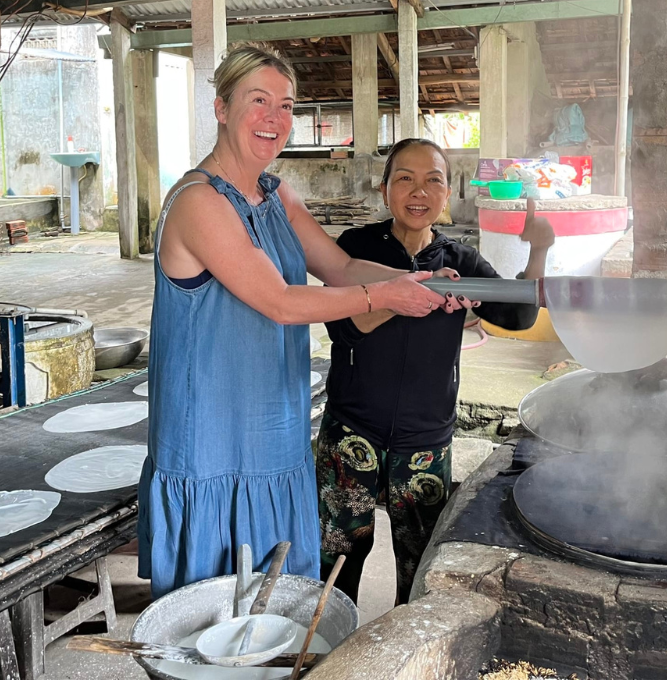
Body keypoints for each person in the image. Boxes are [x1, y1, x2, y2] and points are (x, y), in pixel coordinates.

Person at [138, 46, 465, 599]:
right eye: (258, 101)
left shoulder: (275, 195)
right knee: (211, 612)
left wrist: (420, 282)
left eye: (286, 105)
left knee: (274, 605)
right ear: (221, 107)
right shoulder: (198, 202)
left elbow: (340, 267)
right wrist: (385, 295)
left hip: (273, 427)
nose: (275, 118)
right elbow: (281, 302)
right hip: (214, 436)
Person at [317, 139, 556, 605]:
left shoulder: (460, 261)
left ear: (447, 193)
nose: (419, 191)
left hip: (425, 439)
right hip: (351, 431)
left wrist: (540, 249)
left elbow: (518, 316)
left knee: (420, 563)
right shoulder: (354, 249)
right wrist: (406, 295)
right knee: (339, 556)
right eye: (405, 178)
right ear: (384, 189)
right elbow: (343, 330)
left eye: (434, 180)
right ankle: (329, 642)